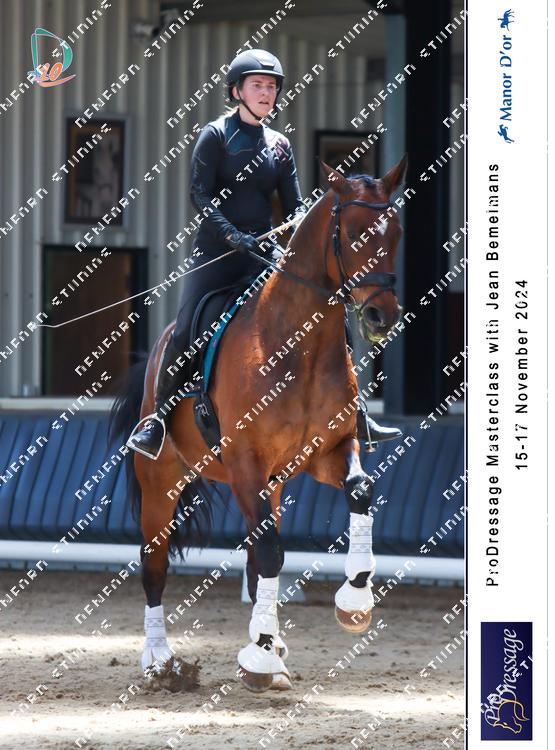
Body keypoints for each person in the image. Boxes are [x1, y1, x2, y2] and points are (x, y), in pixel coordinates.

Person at [128, 49, 401, 459]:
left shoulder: (279, 145)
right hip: (218, 253)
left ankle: (356, 412)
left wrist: (291, 234)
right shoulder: (215, 136)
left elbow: (294, 207)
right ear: (236, 91)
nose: (266, 93)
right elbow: (200, 194)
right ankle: (157, 419)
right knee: (186, 330)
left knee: (332, 317)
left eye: (271, 86)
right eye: (257, 85)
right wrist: (231, 234)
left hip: (265, 254)